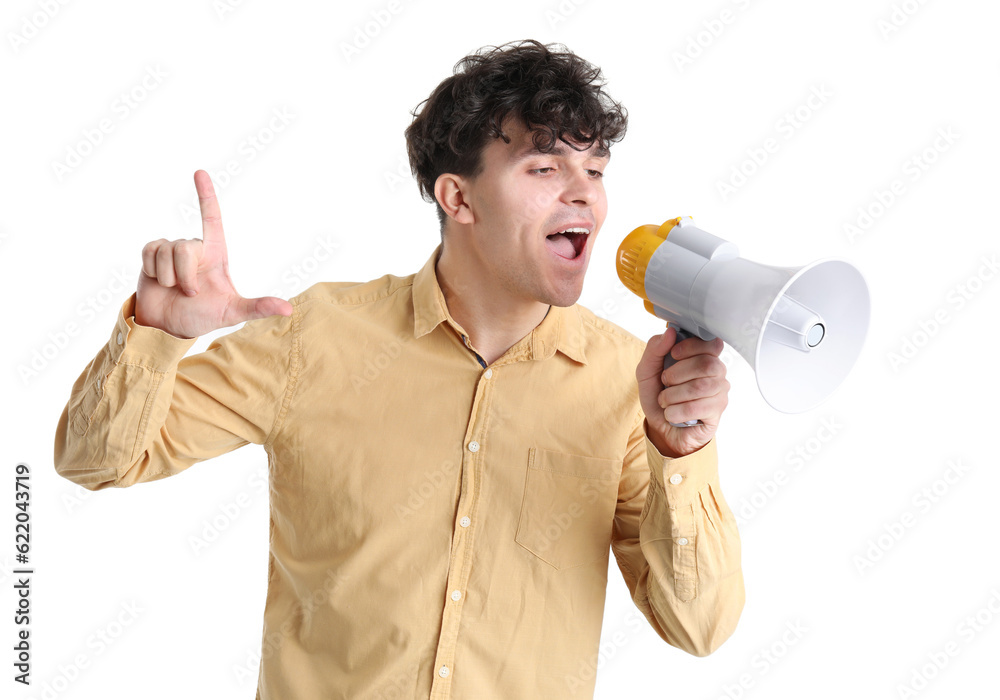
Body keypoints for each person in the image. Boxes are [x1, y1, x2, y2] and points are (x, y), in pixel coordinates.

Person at [54, 39, 744, 700]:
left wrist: (681, 451)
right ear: (458, 199)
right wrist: (157, 337)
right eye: (544, 169)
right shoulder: (316, 337)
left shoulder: (629, 382)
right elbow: (93, 460)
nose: (584, 195)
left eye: (594, 170)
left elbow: (698, 627)